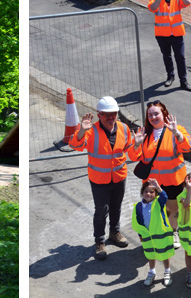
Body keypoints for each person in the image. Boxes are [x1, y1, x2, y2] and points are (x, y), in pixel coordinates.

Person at [67, 96, 133, 261]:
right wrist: (82, 130)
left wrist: (137, 143)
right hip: (99, 179)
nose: (110, 118)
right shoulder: (90, 131)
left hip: (119, 176)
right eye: (106, 115)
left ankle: (115, 233)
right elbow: (74, 145)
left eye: (113, 114)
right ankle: (100, 241)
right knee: (101, 211)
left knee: (116, 207)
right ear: (99, 115)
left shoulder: (124, 128)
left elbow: (129, 149)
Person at [129, 101, 191, 250]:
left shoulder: (176, 129)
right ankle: (155, 233)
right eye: (150, 115)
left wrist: (176, 133)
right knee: (153, 209)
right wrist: (136, 144)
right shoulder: (144, 134)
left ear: (164, 114)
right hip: (151, 182)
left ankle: (173, 232)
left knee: (172, 209)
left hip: (173, 179)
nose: (153, 117)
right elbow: (133, 156)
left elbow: (188, 147)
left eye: (156, 113)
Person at [147, 0, 191, 91]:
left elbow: (188, 2)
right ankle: (170, 76)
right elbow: (152, 8)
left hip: (177, 33)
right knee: (167, 56)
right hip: (162, 34)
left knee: (180, 57)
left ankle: (183, 81)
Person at [133, 178, 175, 286]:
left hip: (160, 235)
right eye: (146, 191)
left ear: (155, 194)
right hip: (147, 236)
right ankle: (152, 272)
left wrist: (158, 187)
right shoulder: (138, 206)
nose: (148, 194)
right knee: (150, 255)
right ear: (142, 192)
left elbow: (164, 197)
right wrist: (140, 235)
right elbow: (139, 221)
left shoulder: (158, 203)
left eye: (151, 192)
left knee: (164, 254)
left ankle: (167, 271)